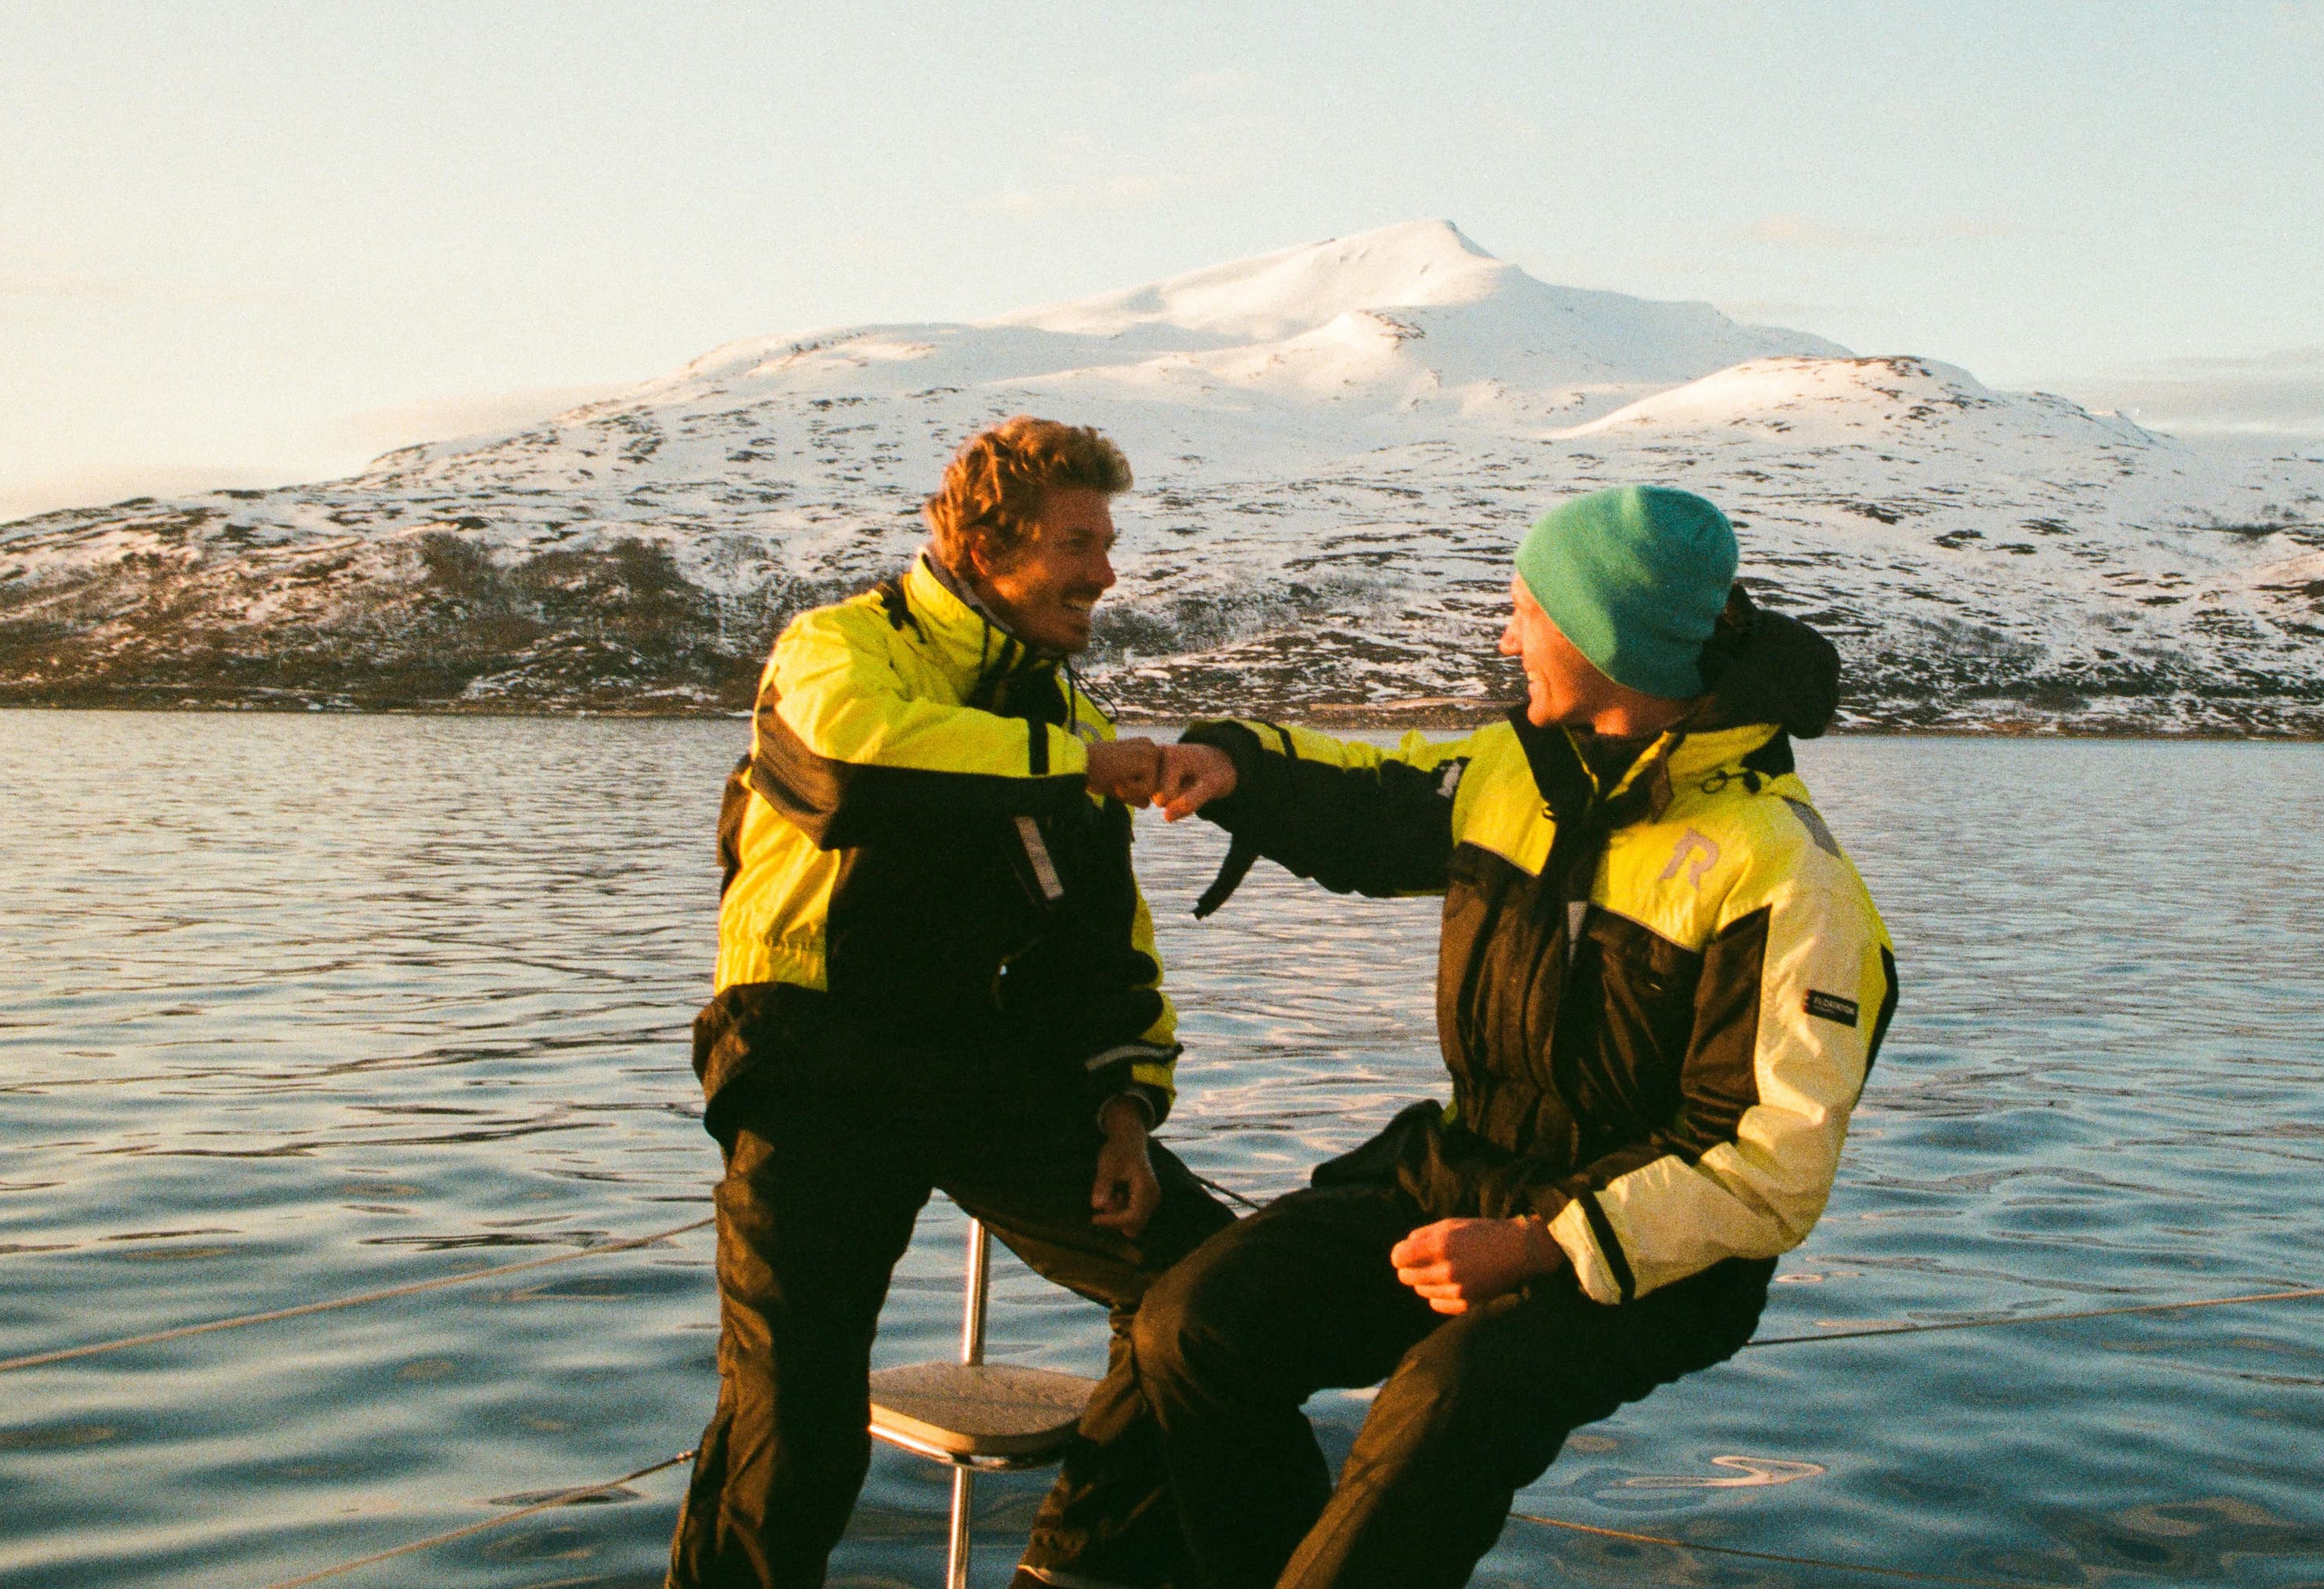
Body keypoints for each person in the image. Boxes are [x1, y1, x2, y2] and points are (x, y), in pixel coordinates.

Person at [1123, 484, 1895, 1589]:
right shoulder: (1512, 772)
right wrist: (1238, 766)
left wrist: (1543, 1243)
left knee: (1446, 1395)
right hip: (1470, 1173)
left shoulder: (1784, 874)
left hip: (1653, 1251)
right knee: (1192, 1325)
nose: (1504, 634)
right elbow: (1372, 800)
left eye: (1526, 611)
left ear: (1603, 638)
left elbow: (1771, 1168)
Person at [667, 416, 1230, 1589]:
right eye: (1080, 542)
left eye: (1109, 540)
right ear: (985, 547)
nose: (1106, 572)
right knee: (795, 1423)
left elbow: (1101, 941)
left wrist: (1125, 1107)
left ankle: (1069, 1573)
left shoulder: (1066, 715)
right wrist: (1076, 764)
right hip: (808, 1058)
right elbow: (852, 771)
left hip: (974, 1064)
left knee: (1214, 1290)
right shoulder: (836, 651)